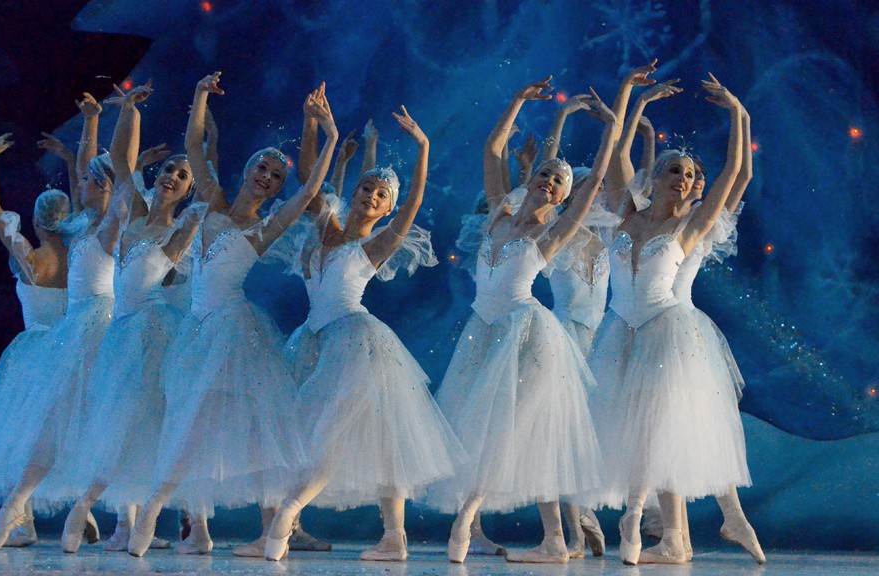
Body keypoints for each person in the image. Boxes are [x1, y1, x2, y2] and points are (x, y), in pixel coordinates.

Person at [123, 77, 340, 558]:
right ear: (247, 169)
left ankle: (268, 530)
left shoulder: (266, 226)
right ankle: (173, 515)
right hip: (196, 330)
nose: (267, 177)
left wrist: (331, 137)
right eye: (262, 167)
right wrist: (200, 94)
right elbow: (193, 146)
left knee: (244, 427)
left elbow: (309, 192)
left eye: (275, 176)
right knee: (187, 421)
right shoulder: (212, 202)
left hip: (233, 332)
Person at [431, 77, 618, 565]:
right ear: (533, 179)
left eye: (559, 182)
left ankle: (468, 517)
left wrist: (612, 128)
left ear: (563, 197)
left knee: (515, 429)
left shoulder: (552, 232)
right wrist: (517, 100)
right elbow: (493, 150)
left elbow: (595, 180)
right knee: (497, 430)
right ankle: (554, 539)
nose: (550, 181)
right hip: (483, 330)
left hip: (527, 333)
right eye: (545, 174)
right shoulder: (499, 213)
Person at [263, 106, 462, 563]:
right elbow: (310, 176)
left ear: (387, 209)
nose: (372, 195)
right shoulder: (324, 226)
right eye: (367, 188)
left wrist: (423, 146)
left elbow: (414, 204)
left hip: (356, 342)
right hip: (313, 341)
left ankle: (293, 512)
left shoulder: (375, 244)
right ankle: (392, 537)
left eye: (382, 194)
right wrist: (311, 122)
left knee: (347, 434)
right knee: (348, 435)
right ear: (353, 194)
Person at [588, 70, 758, 565]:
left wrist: (738, 112)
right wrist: (629, 95)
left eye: (689, 175)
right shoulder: (625, 213)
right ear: (656, 178)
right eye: (675, 171)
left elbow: (735, 173)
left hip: (666, 331)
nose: (684, 180)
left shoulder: (692, 225)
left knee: (656, 426)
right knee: (629, 427)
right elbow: (616, 155)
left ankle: (641, 521)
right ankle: (666, 534)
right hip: (620, 330)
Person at [57, 82, 206, 554]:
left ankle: (186, 522)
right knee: (122, 424)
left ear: (189, 189)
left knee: (157, 424)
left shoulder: (184, 227)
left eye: (182, 175)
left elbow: (173, 281)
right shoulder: (136, 212)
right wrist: (130, 111)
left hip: (154, 336)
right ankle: (110, 515)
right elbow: (121, 162)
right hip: (121, 334)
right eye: (169, 170)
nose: (172, 176)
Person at [0, 134, 82, 547]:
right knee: (58, 435)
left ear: (37, 220)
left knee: (22, 438)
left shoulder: (32, 258)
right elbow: (83, 207)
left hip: (34, 355)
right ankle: (38, 520)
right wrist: (70, 160)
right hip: (72, 351)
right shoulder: (79, 257)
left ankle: (22, 518)